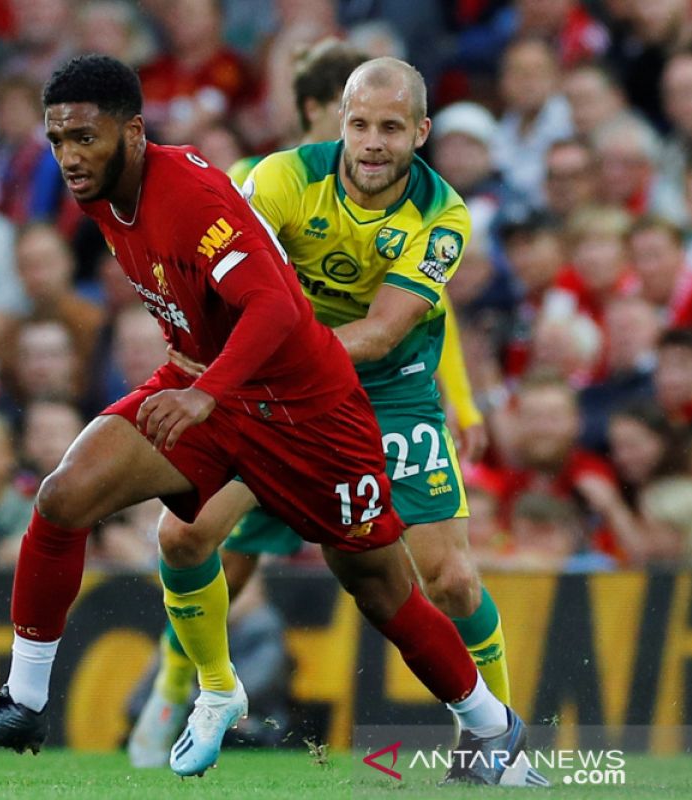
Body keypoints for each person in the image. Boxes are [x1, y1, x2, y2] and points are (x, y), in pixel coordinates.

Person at [0, 55, 538, 787]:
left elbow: (277, 307)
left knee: (382, 584)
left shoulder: (190, 191)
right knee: (67, 496)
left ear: (132, 132)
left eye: (84, 138)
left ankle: (492, 726)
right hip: (217, 386)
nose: (70, 156)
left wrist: (206, 391)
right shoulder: (121, 191)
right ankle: (30, 701)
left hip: (312, 409)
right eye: (57, 140)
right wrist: (200, 371)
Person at [131, 45, 509, 770]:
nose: (372, 143)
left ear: (420, 134)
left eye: (391, 129)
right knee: (186, 541)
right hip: (279, 389)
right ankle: (194, 688)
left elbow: (385, 330)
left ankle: (495, 740)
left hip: (387, 390)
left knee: (452, 580)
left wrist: (457, 396)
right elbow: (218, 287)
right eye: (359, 124)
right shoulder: (275, 180)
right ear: (336, 120)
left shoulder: (444, 216)